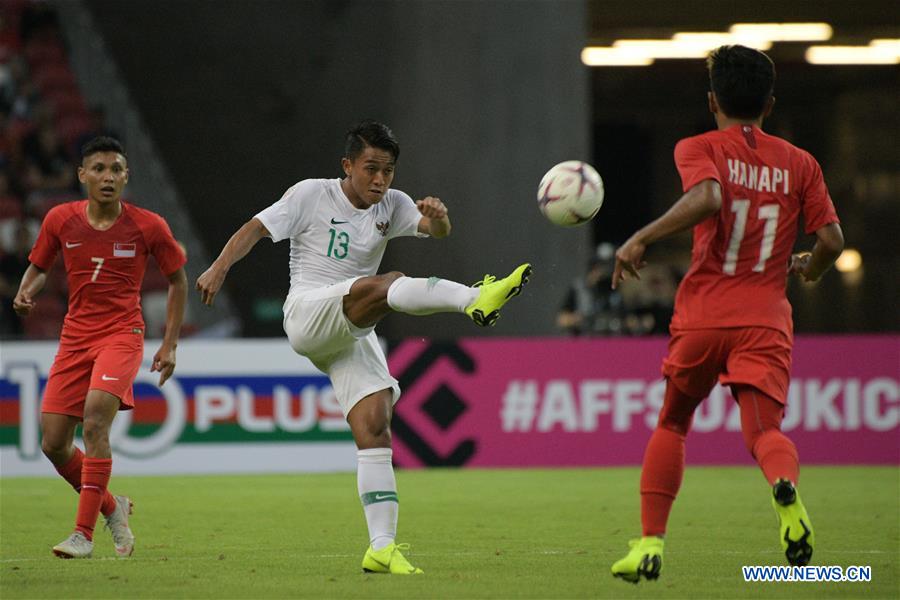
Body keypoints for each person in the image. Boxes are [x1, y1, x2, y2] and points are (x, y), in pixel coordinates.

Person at [195, 120, 531, 575]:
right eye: (371, 168)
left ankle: (382, 546)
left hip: (350, 330)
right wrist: (218, 269)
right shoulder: (310, 194)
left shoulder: (391, 203)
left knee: (374, 426)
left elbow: (437, 231)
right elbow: (254, 229)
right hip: (309, 313)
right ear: (347, 165)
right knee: (387, 283)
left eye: (388, 171)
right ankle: (475, 298)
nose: (380, 180)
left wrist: (439, 216)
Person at [608, 45, 843, 583]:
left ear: (713, 100)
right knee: (764, 432)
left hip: (704, 314)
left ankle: (649, 545)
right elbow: (831, 238)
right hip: (764, 317)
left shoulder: (698, 146)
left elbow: (710, 198)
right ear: (771, 102)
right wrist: (811, 271)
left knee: (673, 421)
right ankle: (783, 487)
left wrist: (641, 236)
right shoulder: (800, 162)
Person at [13, 136, 188, 558]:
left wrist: (169, 345)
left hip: (121, 335)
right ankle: (113, 507)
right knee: (53, 443)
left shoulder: (149, 225)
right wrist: (24, 292)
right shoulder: (60, 219)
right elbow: (39, 266)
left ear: (126, 176)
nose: (107, 177)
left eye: (116, 170)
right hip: (75, 337)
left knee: (94, 424)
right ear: (82, 176)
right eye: (99, 169)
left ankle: (83, 534)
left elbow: (178, 280)